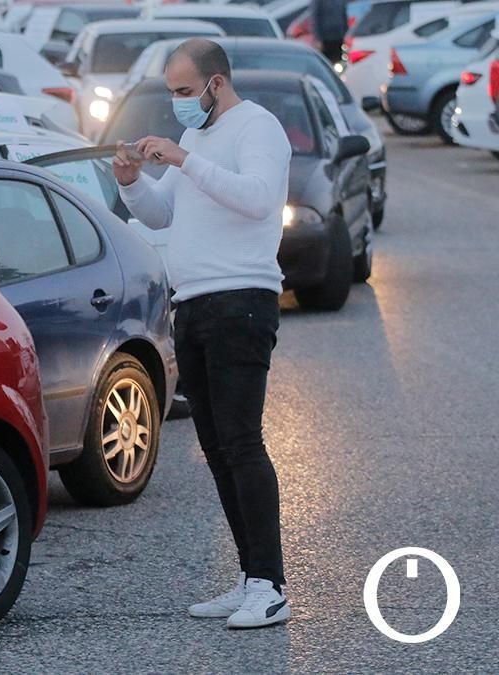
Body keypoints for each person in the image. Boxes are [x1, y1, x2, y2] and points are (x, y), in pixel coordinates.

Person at [112, 39, 292, 630]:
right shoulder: (198, 137)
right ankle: (249, 578)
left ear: (216, 83)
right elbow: (163, 214)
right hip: (192, 306)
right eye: (172, 92)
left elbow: (260, 199)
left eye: (186, 92)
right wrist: (133, 182)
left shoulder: (256, 128)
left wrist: (186, 161)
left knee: (241, 442)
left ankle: (270, 585)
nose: (178, 104)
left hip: (242, 303)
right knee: (215, 448)